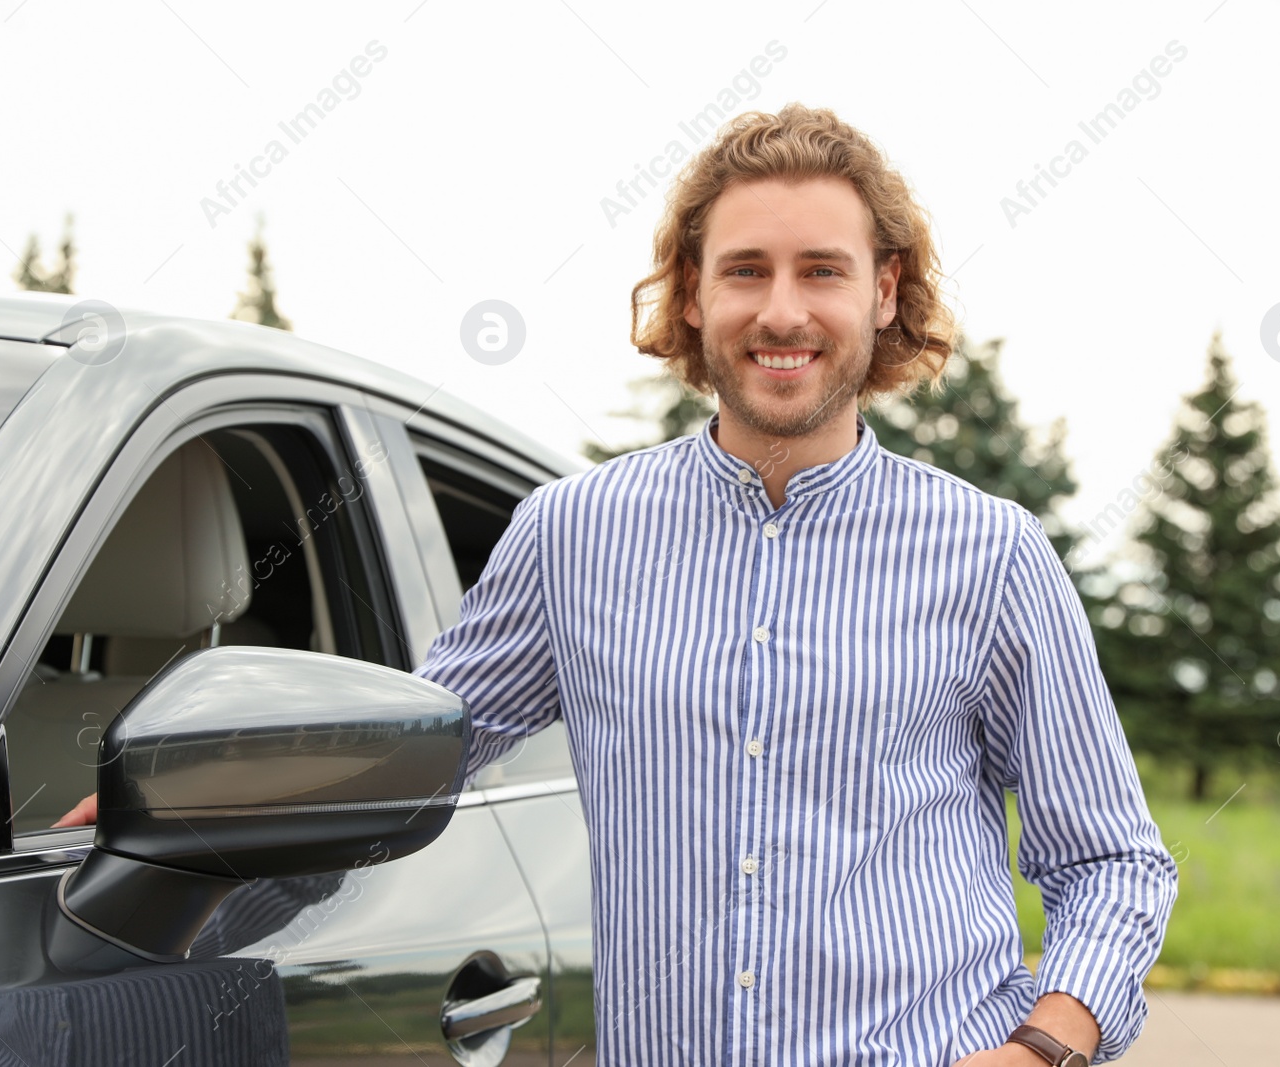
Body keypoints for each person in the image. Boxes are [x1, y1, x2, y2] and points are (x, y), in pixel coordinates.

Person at [415, 103, 1177, 1066]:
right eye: (746, 270)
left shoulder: (993, 554)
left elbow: (1111, 860)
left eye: (822, 269)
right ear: (692, 294)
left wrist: (1040, 1051)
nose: (783, 312)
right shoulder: (571, 535)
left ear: (885, 290)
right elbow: (404, 766)